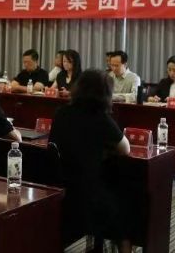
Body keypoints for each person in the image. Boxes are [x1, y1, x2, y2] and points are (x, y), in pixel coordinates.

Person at [48, 69, 132, 253]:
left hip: (60, 188)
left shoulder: (61, 112)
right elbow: (125, 148)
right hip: (88, 194)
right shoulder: (101, 118)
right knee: (125, 208)